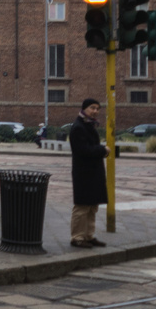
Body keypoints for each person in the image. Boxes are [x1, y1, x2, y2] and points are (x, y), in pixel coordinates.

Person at [68, 98, 109, 247]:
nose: (95, 111)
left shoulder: (88, 125)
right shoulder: (79, 127)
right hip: (84, 173)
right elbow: (82, 150)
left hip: (93, 172)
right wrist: (102, 150)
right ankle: (77, 237)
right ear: (84, 108)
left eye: (98, 108)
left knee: (92, 206)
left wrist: (101, 150)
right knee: (82, 206)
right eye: (92, 108)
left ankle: (88, 235)